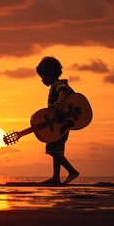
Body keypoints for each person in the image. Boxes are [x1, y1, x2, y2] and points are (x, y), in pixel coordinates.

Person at [35, 56, 79, 184]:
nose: (42, 80)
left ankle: (72, 171)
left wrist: (59, 102)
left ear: (49, 74)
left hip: (62, 125)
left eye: (42, 77)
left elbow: (63, 91)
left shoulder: (58, 85)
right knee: (56, 150)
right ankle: (56, 177)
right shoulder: (56, 85)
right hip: (60, 124)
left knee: (53, 150)